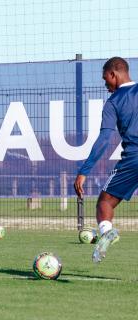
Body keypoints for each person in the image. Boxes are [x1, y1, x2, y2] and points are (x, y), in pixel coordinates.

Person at [74, 57, 137, 263]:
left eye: (105, 80)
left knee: (104, 203)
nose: (105, 85)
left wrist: (84, 170)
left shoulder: (113, 102)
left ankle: (107, 232)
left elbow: (104, 140)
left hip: (133, 159)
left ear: (113, 74)